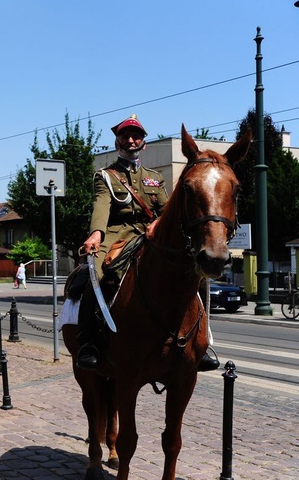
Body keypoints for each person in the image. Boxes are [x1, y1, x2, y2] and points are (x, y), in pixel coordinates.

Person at [75, 114, 219, 372]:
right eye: (125, 136)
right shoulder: (106, 176)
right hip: (117, 233)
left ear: (144, 143)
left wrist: (162, 222)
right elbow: (101, 206)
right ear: (118, 141)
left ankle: (201, 343)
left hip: (151, 232)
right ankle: (89, 342)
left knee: (197, 273)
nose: (131, 140)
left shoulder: (154, 178)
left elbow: (167, 208)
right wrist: (96, 233)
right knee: (93, 274)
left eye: (136, 136)